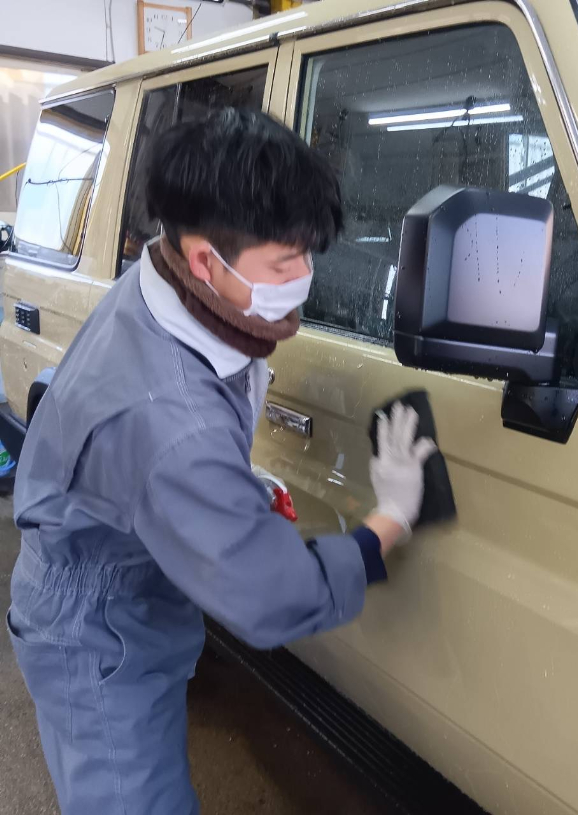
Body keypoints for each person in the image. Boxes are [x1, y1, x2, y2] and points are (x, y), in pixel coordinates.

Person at [6, 108, 436, 815]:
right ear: (207, 258)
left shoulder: (163, 274)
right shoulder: (171, 422)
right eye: (284, 263)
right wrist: (390, 518)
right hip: (96, 630)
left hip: (115, 570)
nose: (305, 277)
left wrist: (229, 487)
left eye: (310, 254)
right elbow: (274, 597)